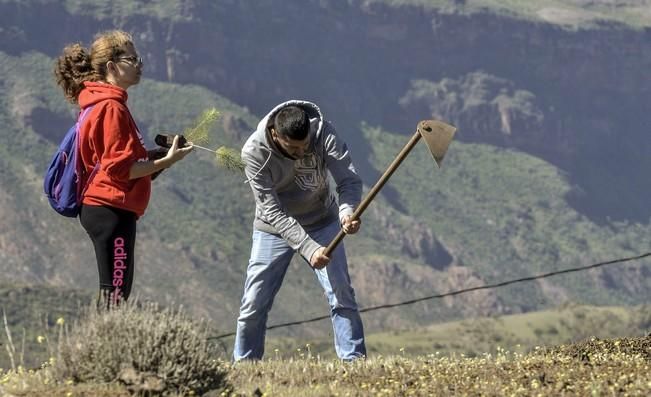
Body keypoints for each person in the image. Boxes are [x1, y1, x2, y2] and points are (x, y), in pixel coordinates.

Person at [53, 30, 194, 306]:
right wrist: (167, 160)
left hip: (109, 207)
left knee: (115, 292)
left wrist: (162, 156)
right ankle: (105, 348)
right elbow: (120, 170)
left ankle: (105, 346)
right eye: (133, 58)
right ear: (112, 67)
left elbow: (126, 164)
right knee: (114, 294)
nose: (140, 64)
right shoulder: (111, 107)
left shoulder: (103, 102)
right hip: (110, 209)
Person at [234, 100, 366, 361]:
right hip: (273, 229)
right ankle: (244, 366)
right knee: (254, 302)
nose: (301, 151)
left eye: (305, 145)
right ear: (275, 134)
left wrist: (347, 212)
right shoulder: (254, 152)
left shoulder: (323, 133)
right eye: (293, 147)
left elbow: (348, 180)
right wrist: (308, 248)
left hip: (322, 220)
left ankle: (354, 362)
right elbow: (271, 211)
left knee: (341, 294)